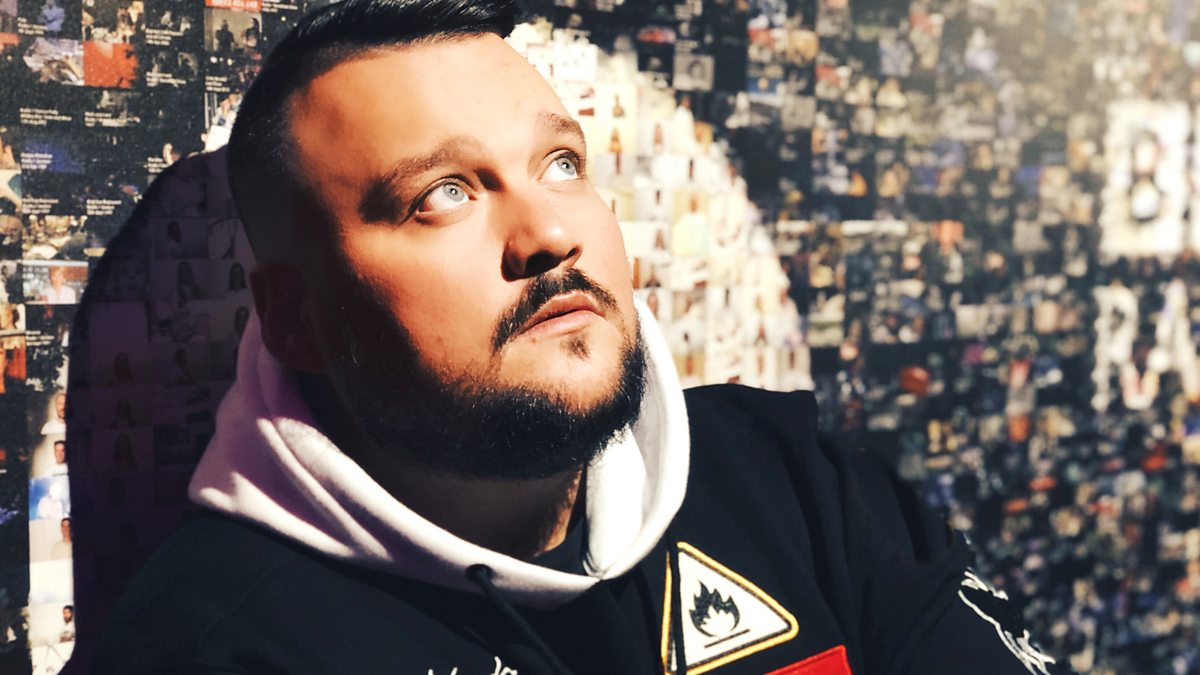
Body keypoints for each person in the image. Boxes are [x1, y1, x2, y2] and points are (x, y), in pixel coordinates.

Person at [96, 2, 1063, 674]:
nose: (551, 232)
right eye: (444, 194)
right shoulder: (214, 645)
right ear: (295, 316)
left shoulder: (803, 480)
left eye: (560, 163)